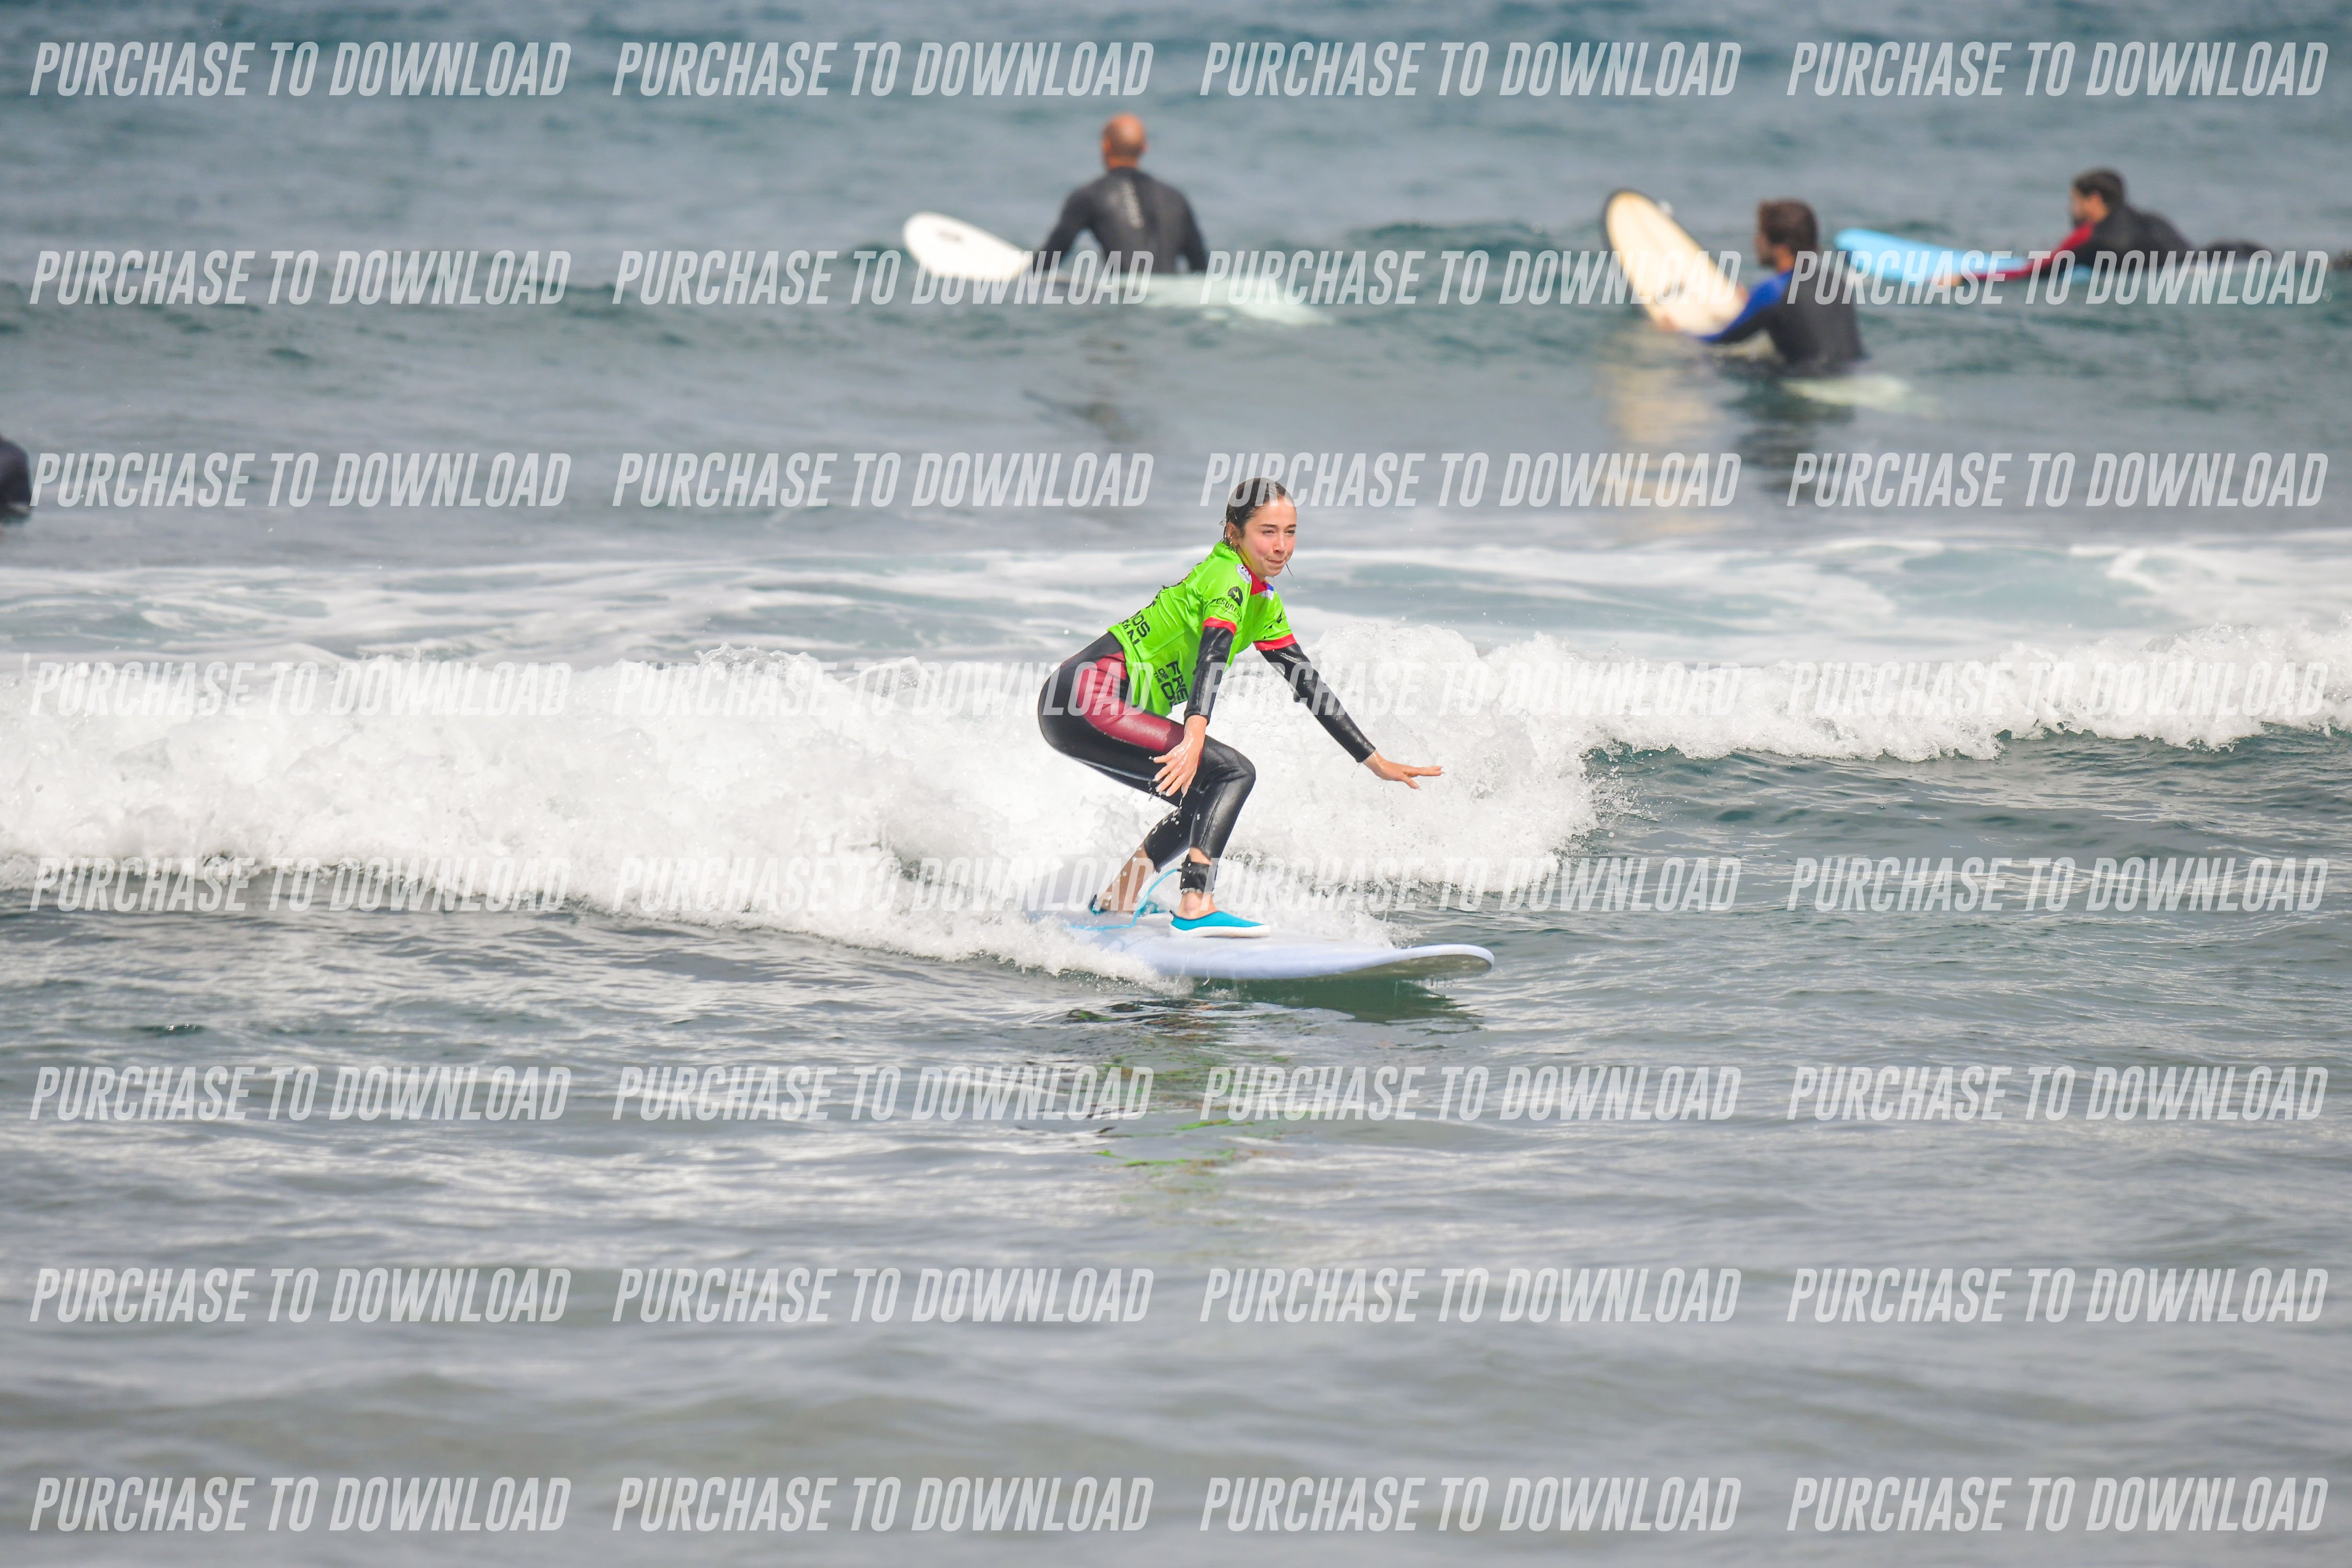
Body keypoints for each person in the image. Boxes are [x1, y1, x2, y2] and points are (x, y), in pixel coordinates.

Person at [1036, 478, 1439, 936]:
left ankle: (1119, 897)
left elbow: (1307, 683)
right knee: (1233, 773)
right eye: (1268, 532)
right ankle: (1196, 902)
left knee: (1204, 796)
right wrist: (1194, 733)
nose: (1282, 546)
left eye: (1290, 532)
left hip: (1078, 707)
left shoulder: (1263, 603)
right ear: (1234, 532)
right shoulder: (1227, 576)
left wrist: (1374, 760)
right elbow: (1213, 653)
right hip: (1085, 697)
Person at [1701, 200, 1865, 375]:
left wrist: (1683, 333)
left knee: (1717, 361)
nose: (1756, 241)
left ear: (1781, 249)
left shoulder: (1774, 291)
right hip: (1858, 373)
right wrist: (1752, 305)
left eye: (1761, 235)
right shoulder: (1835, 280)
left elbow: (1720, 340)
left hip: (1813, 382)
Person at [1036, 113, 1208, 275]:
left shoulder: (1090, 196)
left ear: (1106, 145)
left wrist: (1026, 276)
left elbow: (1049, 258)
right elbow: (1200, 268)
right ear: (1144, 148)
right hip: (1170, 293)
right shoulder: (1175, 198)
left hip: (1124, 294)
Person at [1983, 169, 2192, 281]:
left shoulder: (2092, 238)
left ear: (2094, 200)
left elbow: (2036, 274)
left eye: (2075, 201)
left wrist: (1970, 279)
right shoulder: (2154, 220)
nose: (2071, 209)